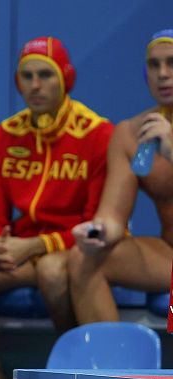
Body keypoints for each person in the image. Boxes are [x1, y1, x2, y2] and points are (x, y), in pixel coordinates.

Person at [0, 36, 114, 379]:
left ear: (66, 78)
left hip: (71, 248)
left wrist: (34, 246)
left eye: (45, 75)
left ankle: (72, 372)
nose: (35, 85)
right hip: (16, 250)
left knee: (52, 272)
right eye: (27, 76)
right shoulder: (4, 135)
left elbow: (96, 223)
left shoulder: (97, 134)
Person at [69, 30, 173, 323]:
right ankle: (110, 368)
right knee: (84, 261)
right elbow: (113, 216)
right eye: (154, 65)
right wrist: (97, 232)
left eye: (171, 63)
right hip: (168, 254)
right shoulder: (133, 133)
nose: (162, 74)